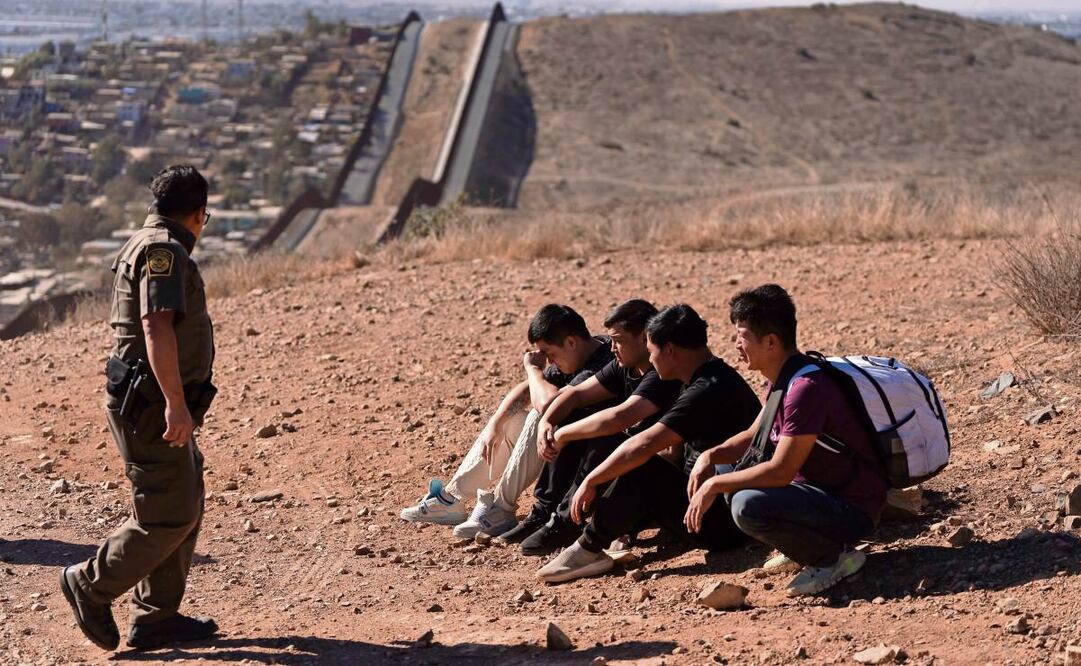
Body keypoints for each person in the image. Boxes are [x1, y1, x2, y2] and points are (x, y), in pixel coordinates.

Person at [60, 165, 219, 651]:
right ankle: (90, 583)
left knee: (184, 498)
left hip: (156, 399)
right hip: (151, 402)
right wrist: (175, 404)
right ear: (197, 214)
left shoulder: (147, 240)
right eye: (205, 218)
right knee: (167, 512)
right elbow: (155, 326)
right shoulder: (162, 250)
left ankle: (156, 617)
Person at [684, 284, 887, 596]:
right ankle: (803, 546)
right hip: (816, 494)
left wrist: (714, 486)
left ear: (770, 342)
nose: (736, 344)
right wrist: (709, 458)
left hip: (852, 509)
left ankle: (833, 559)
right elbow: (753, 435)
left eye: (742, 336)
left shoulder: (805, 388)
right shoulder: (785, 377)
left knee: (745, 504)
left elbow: (780, 471)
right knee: (725, 472)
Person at [537, 304, 760, 583]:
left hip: (725, 523)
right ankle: (610, 532)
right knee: (636, 463)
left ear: (669, 350)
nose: (651, 361)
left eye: (652, 351)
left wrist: (592, 481)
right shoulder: (705, 377)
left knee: (640, 468)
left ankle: (589, 548)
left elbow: (646, 444)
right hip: (707, 503)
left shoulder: (707, 389)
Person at [400, 304, 614, 541]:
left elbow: (550, 405)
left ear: (571, 342)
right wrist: (495, 423)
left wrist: (533, 370)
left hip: (587, 459)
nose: (549, 362)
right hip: (558, 451)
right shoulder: (575, 355)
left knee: (537, 415)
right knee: (511, 420)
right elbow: (525, 391)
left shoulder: (603, 360)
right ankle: (452, 499)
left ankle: (501, 508)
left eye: (550, 353)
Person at [513, 299, 683, 556]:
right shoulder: (625, 365)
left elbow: (620, 418)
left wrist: (561, 434)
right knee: (574, 418)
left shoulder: (661, 374)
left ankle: (570, 521)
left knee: (606, 439)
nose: (611, 347)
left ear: (644, 339)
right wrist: (548, 421)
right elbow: (576, 395)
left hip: (669, 477)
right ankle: (547, 511)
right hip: (641, 467)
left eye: (618, 340)